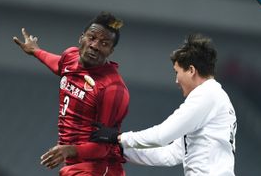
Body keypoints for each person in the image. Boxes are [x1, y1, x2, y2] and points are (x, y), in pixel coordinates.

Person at [91, 34, 237, 176]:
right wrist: (121, 149)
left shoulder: (206, 95)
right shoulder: (216, 98)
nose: (176, 81)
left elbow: (162, 135)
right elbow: (171, 154)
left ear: (191, 70)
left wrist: (119, 138)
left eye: (177, 72)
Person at [13, 11, 130, 176]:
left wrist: (69, 150)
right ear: (81, 38)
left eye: (104, 43)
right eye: (92, 38)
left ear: (110, 51)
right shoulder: (70, 56)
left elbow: (104, 147)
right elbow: (59, 65)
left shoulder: (112, 89)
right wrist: (36, 51)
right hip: (73, 165)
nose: (95, 46)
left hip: (98, 169)